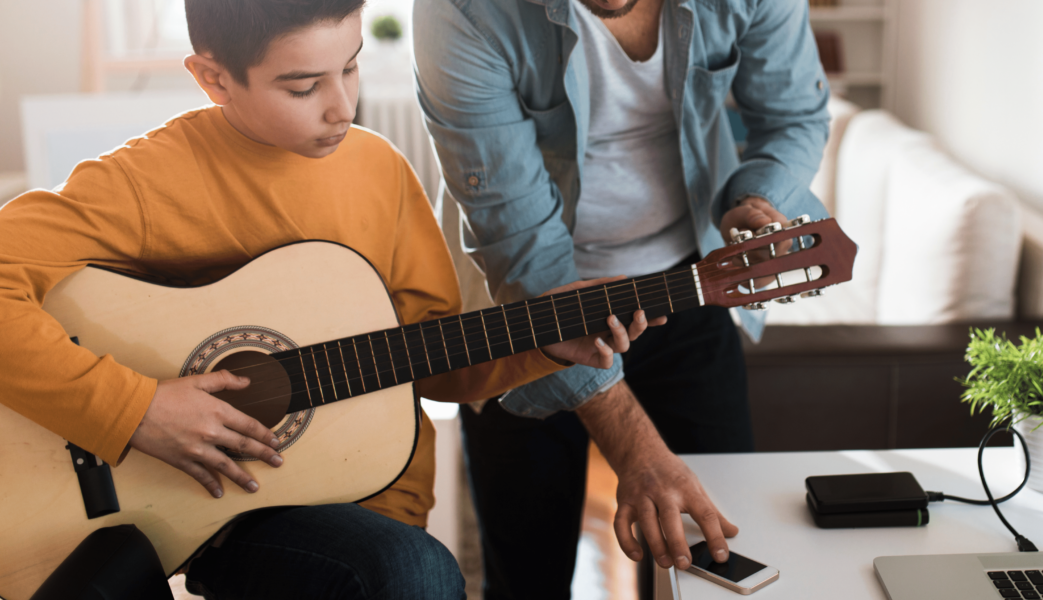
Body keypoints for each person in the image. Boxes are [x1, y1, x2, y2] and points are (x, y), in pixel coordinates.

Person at [0, 1, 652, 598]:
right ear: (214, 78)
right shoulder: (151, 182)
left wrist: (537, 347)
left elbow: (429, 362)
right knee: (412, 571)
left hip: (372, 497)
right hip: (223, 516)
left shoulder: (381, 173)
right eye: (303, 86)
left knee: (407, 563)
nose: (342, 106)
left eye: (352, 67)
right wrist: (135, 410)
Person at [413, 0, 830, 596]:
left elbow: (794, 116)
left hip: (687, 288)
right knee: (527, 573)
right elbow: (521, 249)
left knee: (711, 565)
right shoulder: (462, 12)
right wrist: (636, 448)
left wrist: (757, 199)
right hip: (519, 318)